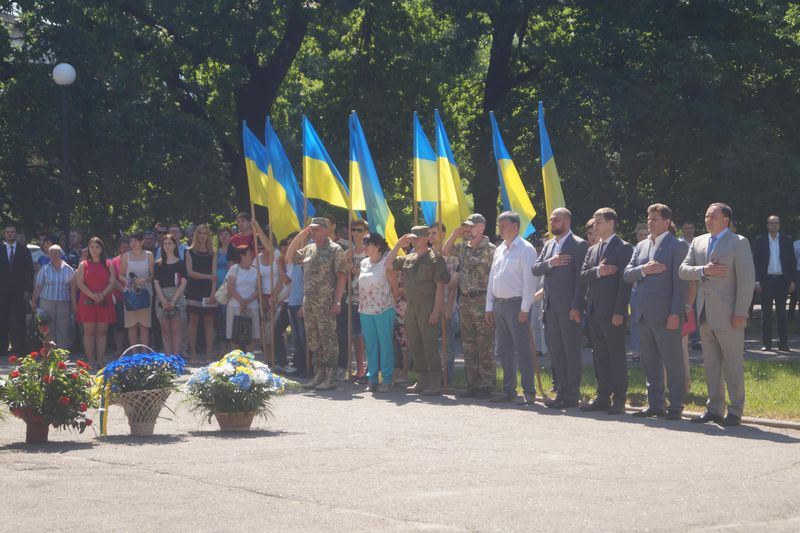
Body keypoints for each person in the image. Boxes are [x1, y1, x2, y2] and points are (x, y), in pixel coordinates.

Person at [679, 203, 755, 426]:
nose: (708, 220)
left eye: (713, 216)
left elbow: (746, 279)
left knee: (733, 364)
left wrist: (741, 311)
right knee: (711, 364)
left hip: (730, 314)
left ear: (726, 220)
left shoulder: (739, 242)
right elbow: (683, 271)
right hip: (704, 313)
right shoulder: (698, 241)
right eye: (706, 216)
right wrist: (703, 271)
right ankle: (714, 408)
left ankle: (736, 409)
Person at [623, 204, 689, 420]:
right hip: (642, 314)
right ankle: (656, 404)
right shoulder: (641, 246)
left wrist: (675, 314)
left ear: (667, 222)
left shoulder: (676, 245)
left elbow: (680, 284)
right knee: (650, 361)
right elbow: (627, 274)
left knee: (673, 361)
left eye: (655, 218)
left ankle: (676, 405)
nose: (650, 222)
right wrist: (644, 269)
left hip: (666, 315)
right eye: (648, 218)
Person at [532, 208, 589, 409]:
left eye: (555, 220)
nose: (552, 223)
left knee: (571, 352)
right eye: (550, 220)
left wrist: (576, 306)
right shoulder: (548, 246)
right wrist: (552, 262)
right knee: (556, 352)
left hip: (568, 308)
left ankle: (572, 394)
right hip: (549, 307)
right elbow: (536, 269)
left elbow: (580, 280)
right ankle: (562, 392)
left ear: (567, 222)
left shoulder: (579, 244)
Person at [579, 208, 634, 414]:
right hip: (593, 311)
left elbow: (624, 284)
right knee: (599, 356)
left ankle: (619, 398)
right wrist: (599, 271)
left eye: (599, 222)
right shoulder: (593, 249)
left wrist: (619, 311)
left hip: (613, 312)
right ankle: (603, 396)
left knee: (616, 356)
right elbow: (583, 275)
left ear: (611, 223)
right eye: (594, 222)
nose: (595, 226)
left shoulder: (623, 248)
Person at [388, 226, 449, 396]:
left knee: (429, 344)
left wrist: (437, 310)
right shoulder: (408, 258)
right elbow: (388, 265)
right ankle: (422, 379)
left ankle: (435, 380)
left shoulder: (435, 259)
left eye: (417, 237)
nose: (414, 240)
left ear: (426, 239)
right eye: (412, 238)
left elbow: (440, 286)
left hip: (428, 305)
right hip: (411, 306)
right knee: (414, 344)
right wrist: (399, 244)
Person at [286, 218, 347, 390]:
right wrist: (300, 236)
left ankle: (330, 376)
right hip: (310, 302)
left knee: (328, 339)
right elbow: (289, 257)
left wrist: (337, 301)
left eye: (316, 229)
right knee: (313, 340)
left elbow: (342, 276)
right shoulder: (309, 249)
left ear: (326, 230)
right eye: (311, 229)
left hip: (326, 302)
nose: (312, 232)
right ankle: (319, 374)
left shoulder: (335, 250)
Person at [485, 212, 539, 404]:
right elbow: (493, 278)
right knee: (504, 349)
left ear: (516, 226)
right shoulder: (500, 249)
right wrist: (489, 306)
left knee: (523, 349)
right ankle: (509, 390)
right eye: (499, 226)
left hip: (517, 305)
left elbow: (530, 282)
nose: (501, 229)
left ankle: (529, 391)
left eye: (504, 226)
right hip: (499, 304)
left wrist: (525, 308)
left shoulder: (526, 249)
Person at [443, 214, 496, 399]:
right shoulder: (463, 248)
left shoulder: (491, 249)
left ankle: (487, 384)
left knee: (485, 345)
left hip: (482, 300)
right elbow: (445, 250)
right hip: (465, 300)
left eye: (471, 227)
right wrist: (455, 233)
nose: (468, 230)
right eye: (466, 227)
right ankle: (472, 383)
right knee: (468, 344)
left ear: (481, 228)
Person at [358, 233, 397, 392]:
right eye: (364, 243)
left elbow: (394, 286)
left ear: (378, 246)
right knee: (371, 345)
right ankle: (372, 378)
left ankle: (387, 379)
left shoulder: (386, 263)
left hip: (383, 309)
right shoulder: (363, 263)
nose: (365, 247)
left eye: (368, 244)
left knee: (385, 344)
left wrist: (400, 242)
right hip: (365, 310)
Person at [752, 215, 796, 352]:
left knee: (782, 314)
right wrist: (756, 281)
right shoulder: (759, 241)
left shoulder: (787, 240)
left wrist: (793, 281)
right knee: (766, 314)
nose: (774, 225)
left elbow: (792, 262)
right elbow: (755, 262)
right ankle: (767, 344)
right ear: (767, 225)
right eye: (771, 223)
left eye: (776, 223)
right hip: (766, 281)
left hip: (782, 281)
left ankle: (783, 344)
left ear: (779, 225)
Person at [75, 237, 116, 366]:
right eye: (91, 247)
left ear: (101, 249)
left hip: (104, 299)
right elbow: (80, 283)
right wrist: (93, 296)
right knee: (89, 331)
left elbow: (112, 282)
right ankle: (91, 361)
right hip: (88, 300)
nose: (94, 250)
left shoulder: (109, 264)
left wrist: (102, 294)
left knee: (102, 331)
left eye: (97, 247)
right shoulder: (83, 264)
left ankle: (100, 360)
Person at [429, 222, 460, 384]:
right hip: (429, 306)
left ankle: (448, 377)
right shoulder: (426, 255)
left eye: (434, 233)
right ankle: (433, 376)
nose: (431, 236)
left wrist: (449, 308)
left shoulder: (451, 256)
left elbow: (453, 286)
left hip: (446, 304)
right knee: (431, 343)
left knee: (447, 344)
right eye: (429, 233)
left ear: (443, 234)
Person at [185, 224, 218, 363]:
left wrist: (212, 292)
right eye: (200, 233)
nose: (202, 236)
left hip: (208, 290)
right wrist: (208, 277)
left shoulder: (213, 253)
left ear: (208, 235)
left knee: (209, 322)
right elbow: (190, 273)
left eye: (205, 233)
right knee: (193, 322)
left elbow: (214, 275)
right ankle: (192, 354)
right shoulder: (189, 252)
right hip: (194, 290)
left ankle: (208, 355)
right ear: (195, 235)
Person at [30, 244, 74, 347]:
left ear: (61, 254)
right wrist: (34, 302)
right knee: (47, 328)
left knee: (63, 328)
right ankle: (49, 353)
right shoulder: (44, 269)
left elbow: (72, 289)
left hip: (64, 303)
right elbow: (38, 287)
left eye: (56, 253)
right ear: (48, 255)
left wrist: (73, 304)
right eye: (51, 253)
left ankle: (62, 354)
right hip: (47, 302)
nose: (54, 255)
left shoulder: (69, 269)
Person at [1, 223, 34, 359]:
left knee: (20, 320)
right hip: (2, 291)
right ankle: (2, 348)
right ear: (4, 233)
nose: (10, 234)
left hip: (20, 291)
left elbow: (30, 271)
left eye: (12, 232)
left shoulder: (24, 250)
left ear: (16, 234)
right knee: (2, 320)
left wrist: (28, 289)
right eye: (7, 232)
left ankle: (20, 348)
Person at [119, 231, 155, 353]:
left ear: (142, 242)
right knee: (132, 325)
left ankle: (144, 353)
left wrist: (143, 279)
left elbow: (153, 274)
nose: (133, 243)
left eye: (136, 241)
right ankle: (134, 354)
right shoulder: (126, 256)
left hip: (145, 292)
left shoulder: (149, 255)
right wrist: (130, 281)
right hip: (130, 293)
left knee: (144, 325)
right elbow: (121, 275)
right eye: (131, 241)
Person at [154, 234, 188, 356]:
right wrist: (163, 300)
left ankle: (176, 358)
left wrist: (173, 300)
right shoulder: (158, 264)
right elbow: (156, 282)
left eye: (170, 244)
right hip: (161, 297)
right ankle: (168, 360)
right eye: (165, 244)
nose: (167, 246)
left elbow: (183, 282)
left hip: (177, 296)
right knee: (165, 330)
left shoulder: (180, 263)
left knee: (176, 330)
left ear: (174, 246)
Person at [225, 245, 261, 351]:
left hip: (252, 306)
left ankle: (249, 362)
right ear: (242, 256)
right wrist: (241, 301)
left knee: (251, 338)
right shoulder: (234, 269)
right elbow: (230, 287)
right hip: (235, 306)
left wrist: (248, 300)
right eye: (250, 254)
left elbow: (258, 288)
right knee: (235, 337)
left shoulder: (255, 271)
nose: (252, 256)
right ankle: (235, 363)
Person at [344, 220, 368, 382]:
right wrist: (347, 268)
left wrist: (353, 269)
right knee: (355, 337)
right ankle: (359, 370)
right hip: (353, 298)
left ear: (366, 231)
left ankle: (370, 370)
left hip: (369, 299)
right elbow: (341, 273)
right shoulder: (349, 252)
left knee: (369, 337)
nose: (356, 233)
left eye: (360, 230)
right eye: (354, 230)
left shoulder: (370, 251)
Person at [284, 232, 308, 376]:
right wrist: (299, 237)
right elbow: (288, 256)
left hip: (301, 302)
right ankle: (299, 366)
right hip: (293, 301)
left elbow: (310, 285)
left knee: (304, 337)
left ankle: (307, 368)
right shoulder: (297, 259)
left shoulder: (309, 259)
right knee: (297, 338)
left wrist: (304, 304)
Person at [629, 223, 649, 362]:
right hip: (635, 291)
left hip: (650, 292)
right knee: (636, 321)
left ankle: (648, 350)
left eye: (645, 234)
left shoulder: (653, 249)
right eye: (640, 234)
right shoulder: (633, 250)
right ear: (636, 237)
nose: (643, 237)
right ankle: (636, 349)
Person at [110, 238, 130, 357]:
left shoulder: (135, 259)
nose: (126, 249)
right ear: (119, 248)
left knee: (132, 325)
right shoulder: (114, 262)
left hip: (135, 298)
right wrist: (125, 291)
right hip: (119, 297)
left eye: (128, 247)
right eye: (124, 247)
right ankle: (119, 349)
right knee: (119, 325)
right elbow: (114, 280)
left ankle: (130, 348)